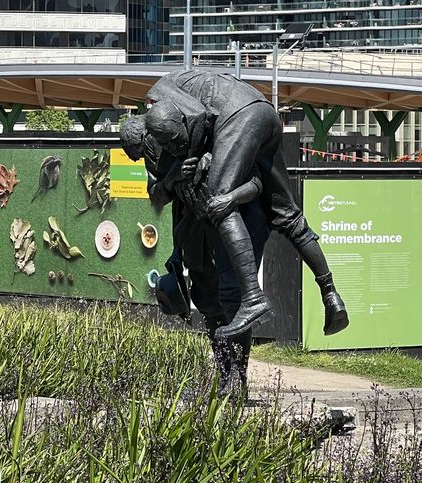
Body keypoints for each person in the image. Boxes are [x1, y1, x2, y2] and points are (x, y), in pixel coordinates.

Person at [142, 69, 349, 340]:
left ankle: (252, 297)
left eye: (174, 139)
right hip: (265, 113)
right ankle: (331, 294)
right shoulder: (181, 90)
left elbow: (198, 118)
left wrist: (200, 168)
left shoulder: (164, 99)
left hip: (239, 117)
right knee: (288, 215)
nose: (173, 147)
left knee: (218, 199)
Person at [120, 115, 269, 397]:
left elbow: (250, 176)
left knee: (232, 299)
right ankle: (226, 374)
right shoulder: (155, 154)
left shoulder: (191, 131)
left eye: (142, 149)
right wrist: (173, 178)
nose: (145, 156)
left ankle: (239, 375)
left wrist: (209, 162)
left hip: (225, 228)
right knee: (207, 302)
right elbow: (156, 195)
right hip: (192, 232)